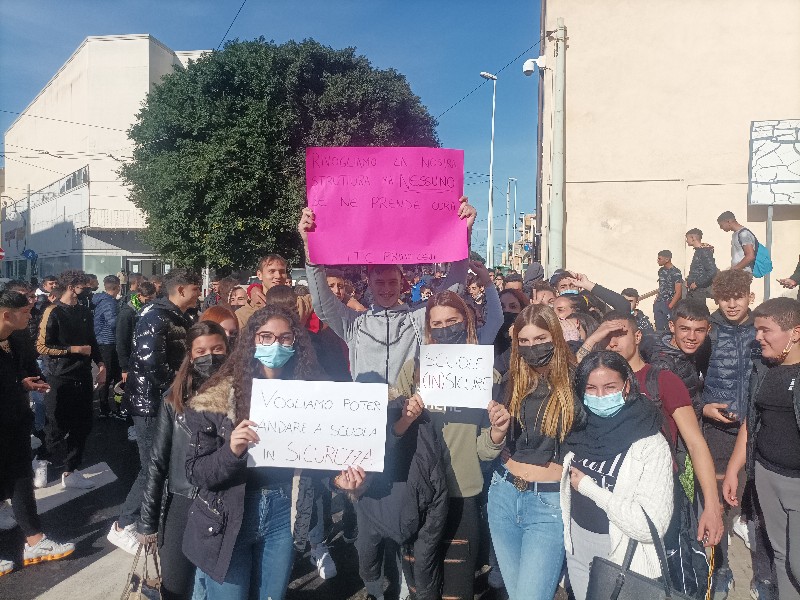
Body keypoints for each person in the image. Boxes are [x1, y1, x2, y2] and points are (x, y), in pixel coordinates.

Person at [182, 305, 333, 600]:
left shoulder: (314, 392)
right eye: (265, 337)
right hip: (228, 513)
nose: (275, 345)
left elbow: (324, 453)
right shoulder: (217, 395)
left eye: (285, 338)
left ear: (295, 342)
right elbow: (196, 471)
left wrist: (343, 478)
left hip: (282, 509)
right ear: (251, 341)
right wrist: (232, 450)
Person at [580, 311, 724, 596]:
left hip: (658, 498)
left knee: (671, 576)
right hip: (607, 496)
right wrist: (592, 339)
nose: (611, 342)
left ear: (637, 337)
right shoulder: (593, 382)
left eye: (618, 334)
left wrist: (711, 505)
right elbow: (560, 381)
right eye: (605, 336)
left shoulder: (663, 381)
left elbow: (695, 443)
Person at [393, 289, 510, 600]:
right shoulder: (413, 371)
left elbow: (484, 450)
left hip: (463, 493)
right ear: (429, 328)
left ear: (467, 322)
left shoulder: (487, 376)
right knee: (421, 590)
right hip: (418, 494)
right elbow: (392, 435)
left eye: (452, 321)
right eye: (438, 323)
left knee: (458, 591)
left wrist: (497, 433)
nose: (445, 329)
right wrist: (405, 418)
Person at [298, 199, 487, 385]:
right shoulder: (354, 324)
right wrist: (310, 248)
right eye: (380, 282)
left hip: (409, 413)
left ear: (401, 283)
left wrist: (464, 235)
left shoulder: (417, 319)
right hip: (367, 411)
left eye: (392, 282)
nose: (386, 289)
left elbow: (454, 290)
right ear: (369, 283)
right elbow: (323, 304)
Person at [487, 304, 584, 600]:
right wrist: (498, 431)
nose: (532, 347)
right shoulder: (511, 381)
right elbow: (492, 438)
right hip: (503, 494)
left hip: (549, 502)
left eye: (540, 339)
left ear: (555, 336)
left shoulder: (577, 381)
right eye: (524, 341)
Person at [561, 350, 674, 600]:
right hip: (578, 551)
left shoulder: (650, 443)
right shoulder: (578, 426)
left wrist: (590, 489)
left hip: (622, 560)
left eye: (609, 387)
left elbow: (650, 526)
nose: (600, 396)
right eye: (590, 388)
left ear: (627, 386)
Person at [108, 269, 200, 553]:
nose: (200, 294)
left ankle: (148, 522)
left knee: (158, 467)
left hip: (162, 402)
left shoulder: (175, 316)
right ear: (182, 290)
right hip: (150, 405)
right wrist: (180, 387)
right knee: (152, 469)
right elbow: (152, 363)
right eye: (197, 289)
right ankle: (123, 525)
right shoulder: (157, 316)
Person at [136, 321, 230, 600]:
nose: (209, 357)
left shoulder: (244, 395)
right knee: (176, 585)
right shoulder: (172, 399)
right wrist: (147, 523)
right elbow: (157, 462)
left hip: (224, 501)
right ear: (190, 355)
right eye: (200, 351)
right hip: (183, 501)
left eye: (217, 349)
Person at [723, 297, 800, 600]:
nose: (758, 337)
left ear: (795, 332)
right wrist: (733, 469)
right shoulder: (763, 368)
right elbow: (751, 422)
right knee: (780, 556)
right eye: (757, 330)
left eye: (765, 330)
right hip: (766, 476)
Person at [0, 290, 75, 577]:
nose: (31, 317)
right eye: (26, 312)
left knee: (21, 478)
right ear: (7, 314)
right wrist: (21, 385)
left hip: (16, 421)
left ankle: (35, 541)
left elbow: (27, 370)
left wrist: (33, 382)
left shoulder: (17, 339)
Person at [701, 269, 763, 596]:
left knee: (753, 501)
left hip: (755, 428)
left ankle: (760, 571)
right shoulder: (709, 330)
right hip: (718, 430)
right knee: (720, 500)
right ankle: (721, 567)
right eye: (725, 298)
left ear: (749, 296)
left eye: (737, 296)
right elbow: (687, 379)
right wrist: (703, 406)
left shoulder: (762, 329)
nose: (732, 304)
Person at [36, 270, 106, 489]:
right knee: (55, 425)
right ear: (71, 286)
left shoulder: (85, 311)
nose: (87, 289)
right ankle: (40, 460)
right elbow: (42, 346)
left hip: (83, 375)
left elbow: (92, 341)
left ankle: (71, 470)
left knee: (82, 425)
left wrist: (102, 364)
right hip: (60, 377)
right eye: (83, 286)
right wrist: (73, 349)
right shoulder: (53, 311)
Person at [116, 281, 156, 387]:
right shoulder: (127, 314)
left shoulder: (147, 310)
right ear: (139, 296)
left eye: (153, 299)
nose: (150, 303)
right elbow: (121, 341)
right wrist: (124, 368)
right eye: (148, 299)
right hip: (130, 360)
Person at [93, 275, 122, 418]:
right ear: (117, 287)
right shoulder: (109, 303)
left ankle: (114, 407)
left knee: (112, 376)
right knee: (110, 376)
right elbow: (114, 323)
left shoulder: (101, 300)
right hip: (108, 343)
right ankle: (106, 408)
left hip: (104, 342)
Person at [236, 255, 289, 328]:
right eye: (272, 271)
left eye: (282, 271)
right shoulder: (243, 315)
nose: (278, 276)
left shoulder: (298, 305)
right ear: (259, 275)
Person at [654, 250, 684, 331]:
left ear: (667, 259)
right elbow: (661, 287)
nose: (657, 260)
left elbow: (678, 292)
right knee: (659, 327)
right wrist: (656, 300)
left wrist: (670, 306)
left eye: (659, 259)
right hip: (659, 302)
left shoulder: (676, 272)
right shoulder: (661, 271)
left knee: (669, 328)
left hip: (668, 303)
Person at [685, 228, 718, 301]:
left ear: (693, 238)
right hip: (694, 289)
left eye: (687, 238)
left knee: (699, 310)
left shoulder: (704, 252)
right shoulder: (699, 251)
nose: (686, 241)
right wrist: (689, 280)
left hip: (699, 290)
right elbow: (697, 269)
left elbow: (712, 271)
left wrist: (697, 283)